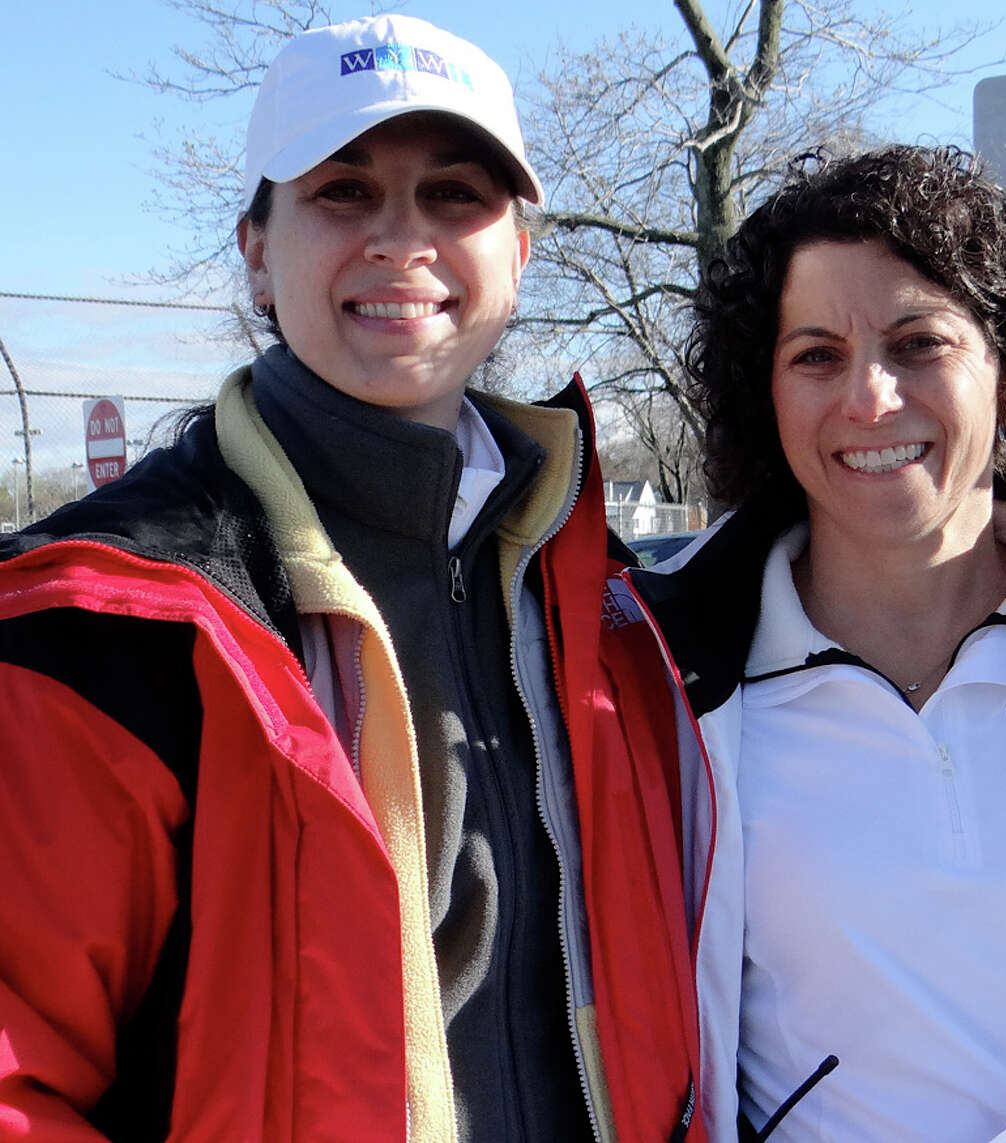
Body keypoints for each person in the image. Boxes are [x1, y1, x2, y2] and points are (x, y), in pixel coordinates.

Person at [0, 15, 705, 1142]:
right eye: (343, 191)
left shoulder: (606, 598)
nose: (402, 240)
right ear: (256, 249)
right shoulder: (96, 625)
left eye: (454, 194)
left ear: (519, 253)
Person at [606, 146, 1006, 1142]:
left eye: (918, 342)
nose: (870, 398)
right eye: (816, 356)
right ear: (769, 393)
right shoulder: (663, 684)